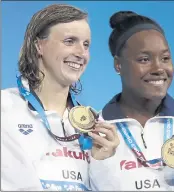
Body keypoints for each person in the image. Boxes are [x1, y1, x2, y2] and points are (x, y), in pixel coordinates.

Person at [89, 11, 174, 191]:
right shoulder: (93, 132)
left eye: (165, 58)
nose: (159, 68)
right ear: (118, 65)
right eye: (144, 59)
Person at [1, 4, 119, 191]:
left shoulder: (93, 124)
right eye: (70, 41)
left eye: (86, 44)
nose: (81, 53)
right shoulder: (5, 108)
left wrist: (101, 161)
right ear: (39, 45)